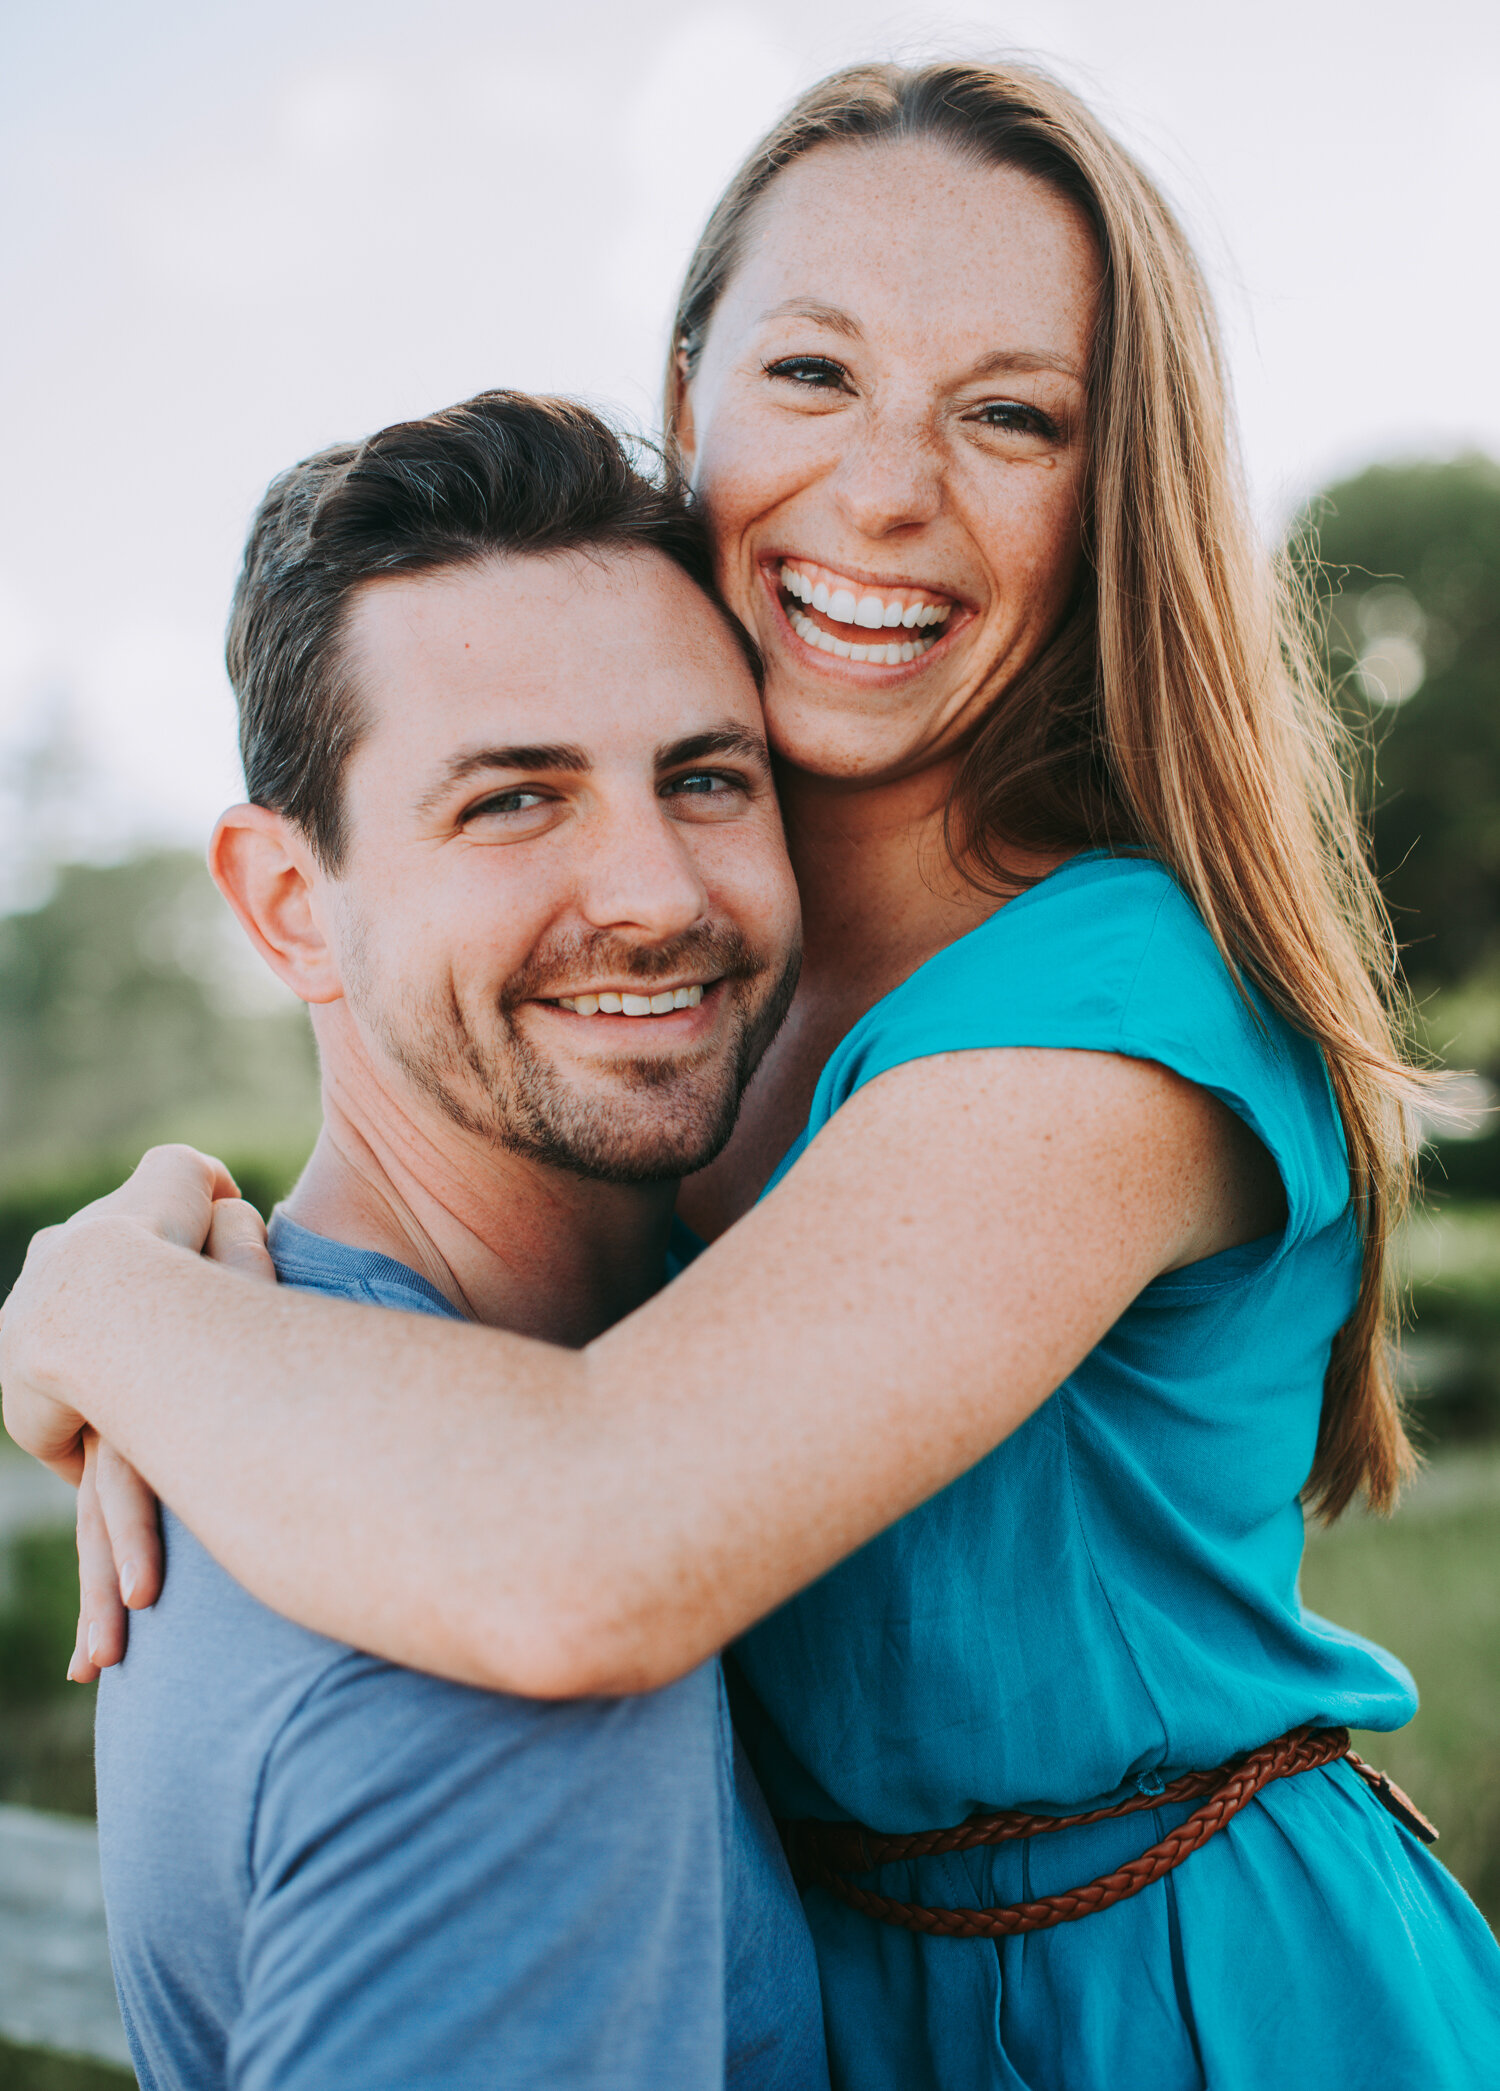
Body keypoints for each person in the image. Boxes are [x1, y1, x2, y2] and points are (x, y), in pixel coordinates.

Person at [7, 57, 1500, 2091]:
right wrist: (179, 1205)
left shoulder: (1118, 995)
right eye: (816, 374)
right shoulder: (701, 942)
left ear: (1109, 487)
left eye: (1012, 414)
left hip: (1176, 2000)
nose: (890, 490)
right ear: (692, 391)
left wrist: (102, 1308)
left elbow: (585, 1543)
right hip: (822, 1985)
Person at [84, 392, 825, 2091]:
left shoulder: (389, 1415)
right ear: (288, 906)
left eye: (708, 776)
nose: (655, 893)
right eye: (511, 802)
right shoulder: (491, 1626)